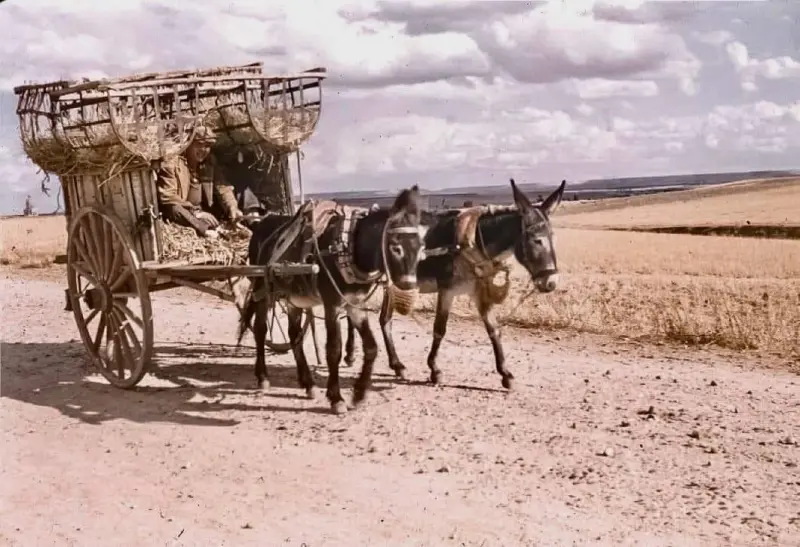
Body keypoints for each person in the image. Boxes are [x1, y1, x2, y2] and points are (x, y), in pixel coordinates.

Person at [155, 126, 244, 239]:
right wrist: (195, 213)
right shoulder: (172, 163)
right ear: (188, 144)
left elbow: (222, 186)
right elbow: (167, 197)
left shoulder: (209, 162)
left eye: (207, 146)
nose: (203, 150)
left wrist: (232, 207)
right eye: (199, 145)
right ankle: (205, 231)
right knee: (174, 208)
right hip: (185, 216)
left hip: (204, 213)